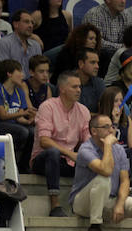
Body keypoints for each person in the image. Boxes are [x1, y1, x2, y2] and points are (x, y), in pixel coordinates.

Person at [31, 70, 90, 217]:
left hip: (68, 161)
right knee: (53, 153)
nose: (79, 90)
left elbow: (88, 140)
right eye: (74, 87)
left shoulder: (83, 111)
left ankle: (82, 206)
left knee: (91, 159)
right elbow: (44, 141)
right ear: (62, 89)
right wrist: (71, 153)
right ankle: (55, 205)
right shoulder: (48, 107)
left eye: (80, 87)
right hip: (43, 160)